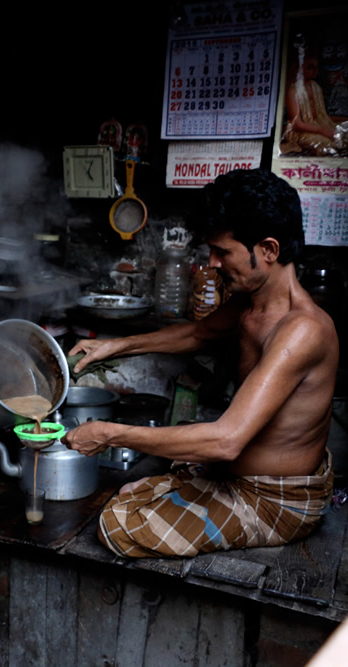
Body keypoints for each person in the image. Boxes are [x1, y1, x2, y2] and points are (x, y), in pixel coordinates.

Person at [63, 168, 338, 558]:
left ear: (269, 250)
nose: (211, 263)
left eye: (223, 251)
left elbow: (226, 441)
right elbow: (197, 334)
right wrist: (113, 346)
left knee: (119, 525)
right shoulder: (251, 301)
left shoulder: (302, 331)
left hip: (275, 499)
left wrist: (108, 433)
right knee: (128, 491)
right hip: (235, 472)